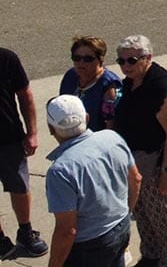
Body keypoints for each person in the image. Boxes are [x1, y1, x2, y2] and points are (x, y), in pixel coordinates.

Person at [111, 35, 167, 267]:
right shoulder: (131, 81)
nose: (126, 66)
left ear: (148, 58)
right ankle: (152, 257)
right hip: (136, 162)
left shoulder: (159, 87)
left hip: (157, 162)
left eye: (132, 60)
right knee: (143, 213)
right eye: (121, 61)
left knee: (166, 219)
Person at [44, 94, 141, 267]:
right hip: (121, 227)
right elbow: (136, 179)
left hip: (89, 247)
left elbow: (67, 230)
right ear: (86, 118)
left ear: (51, 129)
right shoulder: (112, 138)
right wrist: (124, 215)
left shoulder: (60, 171)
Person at [0, 48, 48, 259]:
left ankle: (26, 232)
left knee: (20, 186)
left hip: (9, 138)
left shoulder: (6, 58)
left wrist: (32, 133)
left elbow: (25, 95)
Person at [58, 36, 122, 132]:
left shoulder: (108, 85)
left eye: (88, 59)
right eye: (76, 58)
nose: (81, 63)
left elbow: (110, 126)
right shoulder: (70, 76)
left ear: (100, 59)